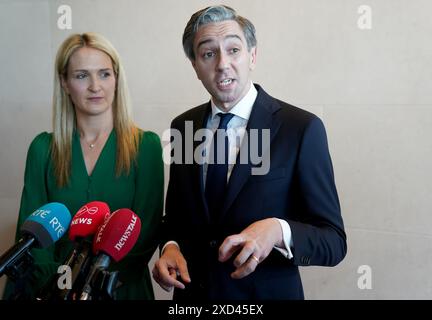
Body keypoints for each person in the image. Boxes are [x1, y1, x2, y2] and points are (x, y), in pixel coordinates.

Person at [152, 5, 347, 299]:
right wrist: (170, 247)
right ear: (195, 66)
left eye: (233, 50)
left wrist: (277, 230)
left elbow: (333, 241)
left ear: (252, 56)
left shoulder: (301, 128)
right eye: (208, 54)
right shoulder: (183, 126)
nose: (222, 64)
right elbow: (177, 219)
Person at [3, 32, 163, 300]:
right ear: (65, 82)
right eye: (81, 76)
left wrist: (91, 284)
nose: (95, 86)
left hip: (118, 289)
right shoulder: (43, 149)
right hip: (50, 291)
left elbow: (146, 233)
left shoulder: (145, 146)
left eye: (104, 74)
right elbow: (32, 235)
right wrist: (61, 287)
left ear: (116, 78)